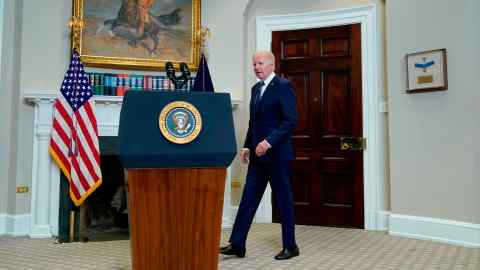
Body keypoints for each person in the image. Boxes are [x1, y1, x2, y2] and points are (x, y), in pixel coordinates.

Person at [220, 51, 299, 260]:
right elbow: (253, 123)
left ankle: (291, 246)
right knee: (248, 199)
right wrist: (247, 145)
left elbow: (290, 121)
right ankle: (237, 244)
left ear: (272, 65)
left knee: (283, 201)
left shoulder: (283, 86)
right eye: (254, 64)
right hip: (257, 157)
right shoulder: (256, 89)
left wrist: (268, 141)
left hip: (278, 156)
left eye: (260, 63)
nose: (256, 67)